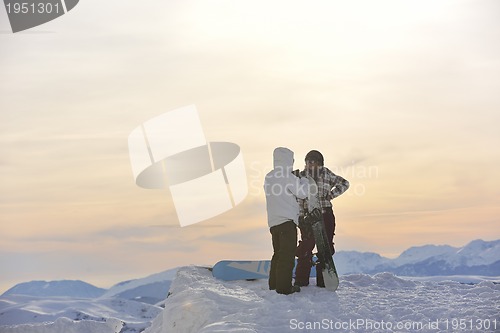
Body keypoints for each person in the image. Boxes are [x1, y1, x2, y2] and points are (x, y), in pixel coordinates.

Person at [295, 150, 350, 288]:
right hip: (308, 216)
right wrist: (301, 217)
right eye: (308, 161)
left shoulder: (327, 174)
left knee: (326, 247)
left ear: (320, 163)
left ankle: (323, 279)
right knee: (306, 246)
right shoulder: (302, 177)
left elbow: (344, 183)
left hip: (326, 214)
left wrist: (330, 195)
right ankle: (302, 280)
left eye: (313, 161)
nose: (310, 164)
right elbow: (298, 199)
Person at [264, 147, 309, 295]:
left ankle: (274, 285)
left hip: (273, 222)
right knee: (287, 256)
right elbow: (302, 193)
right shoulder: (287, 176)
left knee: (277, 254)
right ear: (289, 160)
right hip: (287, 222)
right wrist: (304, 181)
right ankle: (284, 288)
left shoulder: (269, 177)